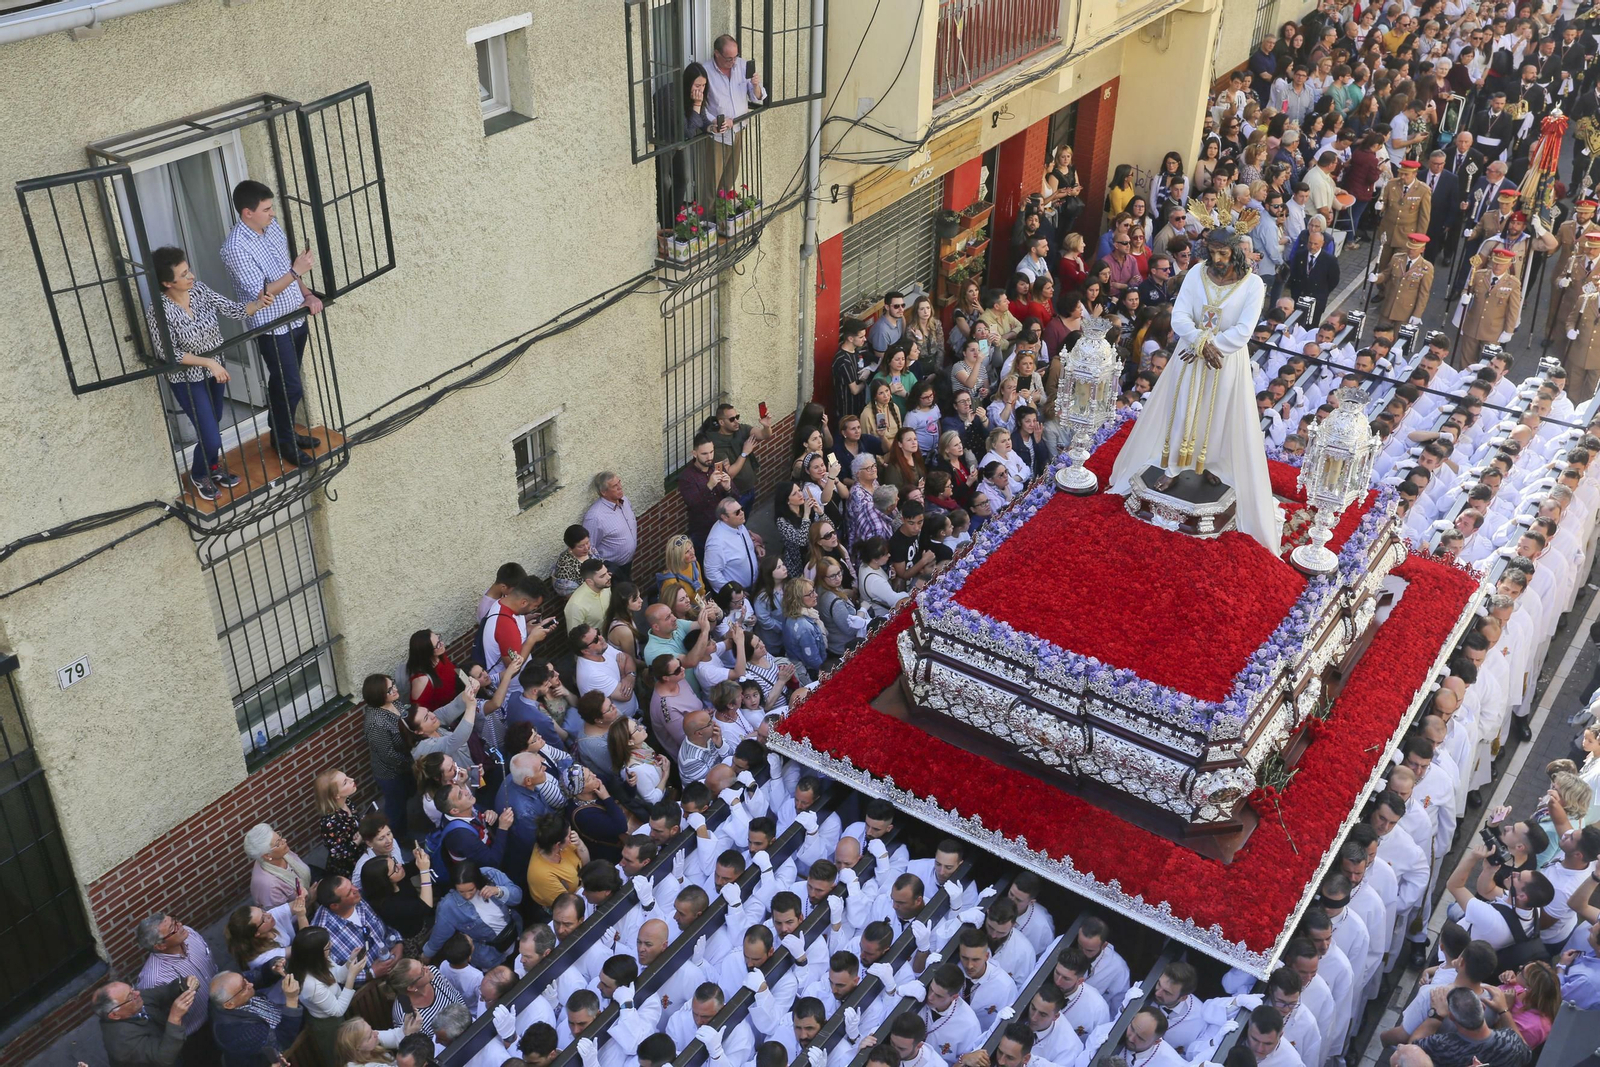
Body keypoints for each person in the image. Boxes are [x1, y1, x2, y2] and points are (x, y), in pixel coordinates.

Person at [1109, 228, 1279, 552]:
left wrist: (1212, 346)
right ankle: (1173, 466)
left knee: (1218, 415)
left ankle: (1212, 464)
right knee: (1183, 409)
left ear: (1236, 252)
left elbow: (1244, 330)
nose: (1216, 259)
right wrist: (1201, 342)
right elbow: (1180, 316)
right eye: (1211, 251)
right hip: (1190, 356)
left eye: (1223, 253)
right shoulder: (1196, 274)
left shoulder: (1253, 284)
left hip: (1227, 362)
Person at [145, 247, 277, 500]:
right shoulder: (158, 310)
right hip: (187, 378)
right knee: (210, 434)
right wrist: (208, 363)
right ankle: (199, 474)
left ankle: (212, 467)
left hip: (214, 371)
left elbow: (233, 310)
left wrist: (260, 303)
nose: (191, 276)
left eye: (189, 270)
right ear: (167, 283)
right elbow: (167, 353)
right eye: (184, 274)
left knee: (214, 420)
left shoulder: (200, 290)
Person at [220, 180, 321, 468]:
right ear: (247, 212)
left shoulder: (271, 228)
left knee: (284, 383)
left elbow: (286, 267)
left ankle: (281, 433)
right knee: (291, 386)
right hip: (271, 327)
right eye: (266, 209)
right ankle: (285, 442)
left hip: (294, 318)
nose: (272, 213)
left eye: (271, 207)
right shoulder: (235, 248)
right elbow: (261, 294)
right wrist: (295, 270)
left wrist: (307, 293)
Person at [136, 913, 217, 1060]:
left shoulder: (188, 933)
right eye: (173, 928)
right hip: (197, 1034)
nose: (180, 925)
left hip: (221, 1008)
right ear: (160, 945)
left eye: (175, 920)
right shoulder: (153, 979)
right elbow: (156, 1020)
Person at [424, 861, 524, 969]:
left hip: (517, 936)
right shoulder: (449, 907)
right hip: (491, 956)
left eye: (471, 890)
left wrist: (498, 891)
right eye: (461, 892)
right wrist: (426, 955)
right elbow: (439, 935)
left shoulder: (491, 874)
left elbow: (517, 897)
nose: (467, 895)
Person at [703, 33, 766, 190]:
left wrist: (756, 85)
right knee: (712, 178)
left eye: (735, 57)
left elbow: (757, 97)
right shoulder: (705, 71)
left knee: (732, 174)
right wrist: (714, 122)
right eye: (729, 58)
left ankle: (723, 209)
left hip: (738, 128)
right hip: (718, 134)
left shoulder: (742, 65)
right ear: (717, 53)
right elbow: (699, 106)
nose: (733, 62)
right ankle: (709, 213)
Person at [208, 970, 303, 1067]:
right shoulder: (239, 1031)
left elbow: (254, 976)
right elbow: (282, 1040)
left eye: (245, 980)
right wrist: (291, 999)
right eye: (244, 987)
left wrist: (272, 967)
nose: (251, 984)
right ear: (229, 1004)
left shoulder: (229, 995)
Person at [97, 977, 198, 1067]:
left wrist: (183, 984)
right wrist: (175, 1017)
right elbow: (164, 1059)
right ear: (114, 1015)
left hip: (177, 1050)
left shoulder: (135, 999)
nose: (138, 993)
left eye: (132, 988)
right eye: (130, 997)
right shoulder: (120, 1043)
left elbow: (164, 992)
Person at [242, 823, 312, 910]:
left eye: (279, 836)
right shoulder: (270, 887)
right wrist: (311, 898)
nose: (284, 840)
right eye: (278, 842)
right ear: (267, 856)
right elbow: (282, 917)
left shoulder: (280, 853)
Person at [583, 471, 638, 581]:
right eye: (614, 486)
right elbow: (589, 548)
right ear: (603, 492)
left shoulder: (624, 501)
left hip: (627, 563)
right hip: (610, 571)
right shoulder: (595, 517)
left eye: (619, 482)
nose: (620, 487)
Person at [315, 767, 366, 880]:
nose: (352, 779)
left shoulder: (347, 801)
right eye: (345, 782)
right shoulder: (330, 823)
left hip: (362, 854)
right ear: (336, 795)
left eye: (347, 777)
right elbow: (339, 854)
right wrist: (358, 840)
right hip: (349, 869)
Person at [527, 814, 589, 907]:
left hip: (583, 887)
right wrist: (587, 885)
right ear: (557, 844)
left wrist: (580, 844)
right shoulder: (542, 875)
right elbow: (567, 904)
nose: (572, 836)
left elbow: (587, 864)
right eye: (569, 836)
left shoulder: (564, 843)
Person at [1287, 228, 1340, 325]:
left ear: (1322, 243)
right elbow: (1294, 274)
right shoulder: (1300, 255)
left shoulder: (1330, 260)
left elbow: (1334, 280)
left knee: (1312, 326)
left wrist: (1323, 291)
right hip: (1299, 297)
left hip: (1317, 301)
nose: (1312, 246)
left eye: (1316, 244)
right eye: (1310, 243)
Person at [705, 497, 760, 590]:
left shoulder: (738, 524)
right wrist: (733, 592)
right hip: (740, 594)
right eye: (737, 512)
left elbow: (743, 545)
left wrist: (756, 546)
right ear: (725, 517)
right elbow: (712, 573)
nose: (742, 513)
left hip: (754, 584)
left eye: (741, 509)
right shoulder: (716, 542)